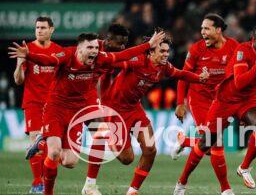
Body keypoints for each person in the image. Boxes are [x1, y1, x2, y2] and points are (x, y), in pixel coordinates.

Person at [9, 31, 165, 195]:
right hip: (57, 107)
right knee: (54, 152)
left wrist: (148, 45)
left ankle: (42, 143)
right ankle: (57, 190)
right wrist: (29, 55)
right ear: (79, 49)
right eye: (90, 47)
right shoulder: (67, 55)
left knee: (70, 162)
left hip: (81, 107)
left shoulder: (100, 58)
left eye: (96, 48)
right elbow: (49, 60)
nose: (94, 51)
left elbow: (123, 55)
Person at [82, 35, 209, 195]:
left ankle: (133, 191)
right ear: (150, 52)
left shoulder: (163, 67)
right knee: (127, 159)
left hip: (134, 109)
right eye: (162, 51)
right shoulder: (137, 61)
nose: (165, 54)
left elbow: (180, 74)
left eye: (167, 51)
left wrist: (199, 78)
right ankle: (103, 133)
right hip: (115, 111)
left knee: (150, 150)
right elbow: (112, 62)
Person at [173, 23, 256, 195]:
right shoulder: (243, 52)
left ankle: (244, 168)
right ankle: (182, 182)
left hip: (247, 99)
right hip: (225, 100)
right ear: (254, 37)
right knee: (206, 143)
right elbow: (239, 83)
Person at [172, 13, 239, 194]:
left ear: (218, 30)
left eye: (207, 28)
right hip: (199, 98)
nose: (202, 32)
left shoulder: (234, 47)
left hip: (221, 101)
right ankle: (224, 190)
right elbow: (182, 76)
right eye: (201, 28)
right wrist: (180, 103)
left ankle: (186, 142)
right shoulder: (196, 49)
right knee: (214, 143)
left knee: (208, 145)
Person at [13, 16, 63, 193]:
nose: (39, 30)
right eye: (37, 28)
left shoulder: (59, 51)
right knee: (36, 139)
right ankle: (37, 183)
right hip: (33, 102)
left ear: (52, 30)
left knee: (50, 147)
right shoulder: (28, 50)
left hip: (54, 105)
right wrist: (19, 64)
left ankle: (45, 180)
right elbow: (18, 81)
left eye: (43, 27)